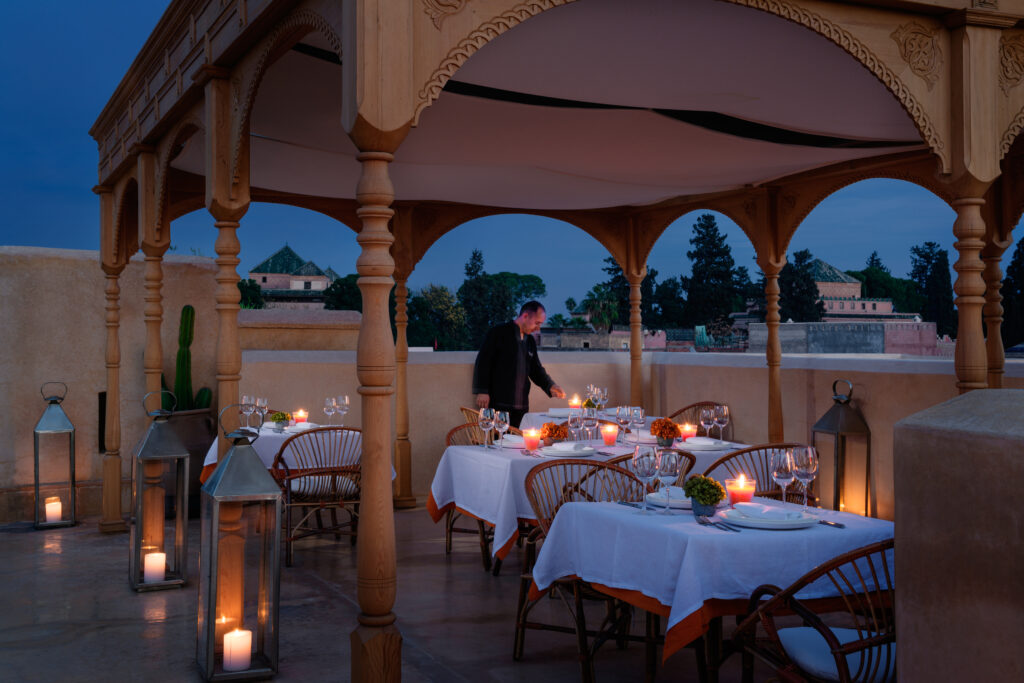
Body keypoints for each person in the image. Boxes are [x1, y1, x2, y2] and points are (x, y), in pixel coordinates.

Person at [472, 301, 566, 428]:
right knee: (497, 442)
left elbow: (536, 369)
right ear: (525, 316)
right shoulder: (498, 333)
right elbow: (483, 361)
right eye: (537, 323)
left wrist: (550, 385)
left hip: (521, 406)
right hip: (498, 403)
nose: (538, 328)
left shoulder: (530, 341)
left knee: (517, 443)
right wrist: (482, 390)